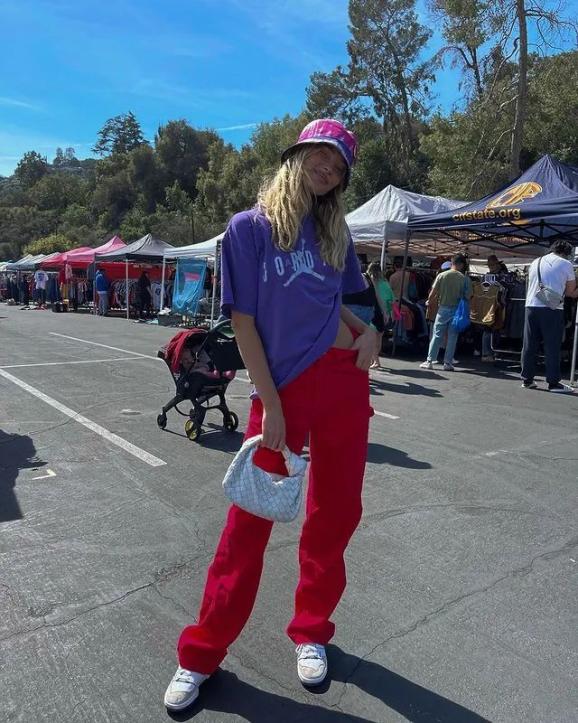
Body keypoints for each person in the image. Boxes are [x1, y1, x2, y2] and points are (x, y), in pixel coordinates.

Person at [164, 119, 377, 712]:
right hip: (280, 388)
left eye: (339, 166)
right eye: (322, 156)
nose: (328, 170)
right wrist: (272, 404)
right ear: (297, 154)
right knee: (248, 522)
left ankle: (311, 630)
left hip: (345, 381)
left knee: (336, 512)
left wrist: (369, 334)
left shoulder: (335, 232)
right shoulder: (249, 228)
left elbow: (338, 303)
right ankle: (200, 653)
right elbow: (243, 322)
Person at [521, 240, 578, 393]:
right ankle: (553, 383)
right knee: (552, 346)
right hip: (552, 308)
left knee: (529, 344)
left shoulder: (536, 261)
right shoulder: (566, 264)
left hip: (531, 305)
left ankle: (527, 379)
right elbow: (571, 292)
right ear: (566, 252)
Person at [420, 253, 472, 372]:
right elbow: (468, 296)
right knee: (452, 337)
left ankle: (430, 361)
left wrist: (429, 301)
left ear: (452, 263)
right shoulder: (465, 279)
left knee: (437, 335)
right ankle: (447, 363)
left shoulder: (442, 275)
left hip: (442, 309)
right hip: (457, 311)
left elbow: (433, 292)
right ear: (461, 265)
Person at [366, 261, 395, 367]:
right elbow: (392, 299)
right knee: (379, 338)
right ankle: (375, 360)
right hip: (384, 312)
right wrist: (389, 313)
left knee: (371, 338)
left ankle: (374, 360)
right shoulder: (385, 283)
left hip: (372, 311)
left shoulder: (370, 282)